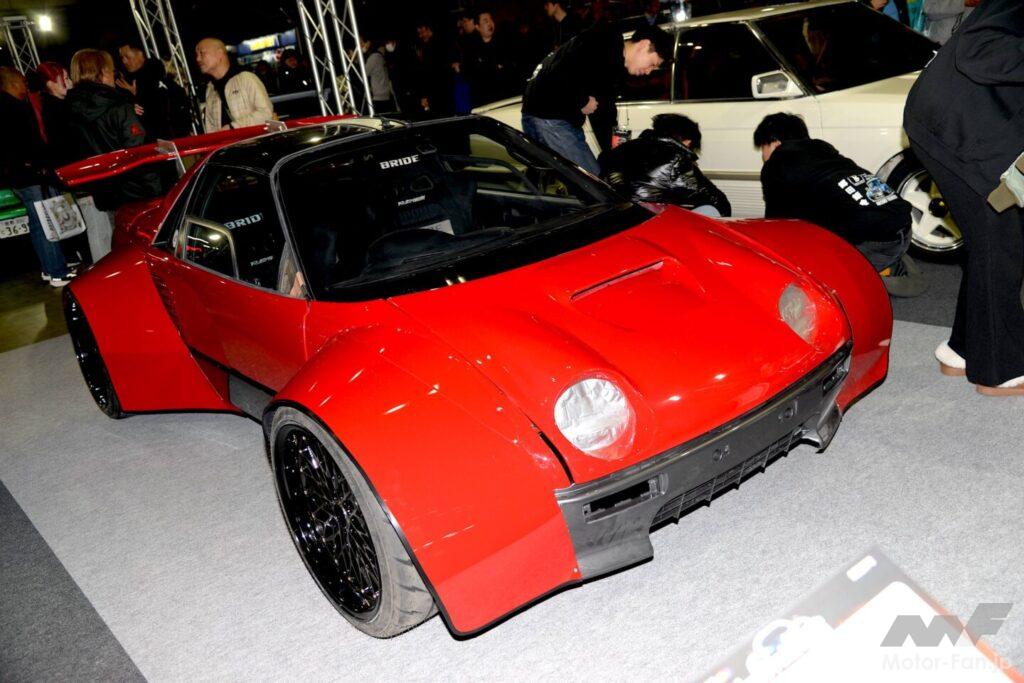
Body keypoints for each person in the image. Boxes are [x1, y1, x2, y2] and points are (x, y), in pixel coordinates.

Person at [904, 0, 1024, 395]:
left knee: (991, 238)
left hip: (973, 127)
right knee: (1000, 239)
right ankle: (1001, 368)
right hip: (957, 127)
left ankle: (962, 348)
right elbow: (978, 50)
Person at [753, 113, 923, 297]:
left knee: (818, 280)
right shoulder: (825, 155)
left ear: (775, 143)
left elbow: (776, 225)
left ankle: (881, 273)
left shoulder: (777, 164)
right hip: (903, 225)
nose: (763, 155)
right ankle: (886, 260)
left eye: (762, 148)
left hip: (878, 241)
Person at [521, 24, 673, 175]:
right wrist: (582, 101)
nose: (648, 72)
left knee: (577, 180)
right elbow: (557, 73)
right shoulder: (602, 40)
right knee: (591, 182)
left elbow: (604, 111)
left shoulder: (613, 61)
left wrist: (614, 153)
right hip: (548, 117)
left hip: (556, 119)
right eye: (652, 64)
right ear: (644, 45)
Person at [0, 67, 73, 286]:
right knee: (45, 221)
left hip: (20, 176)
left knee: (39, 223)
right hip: (30, 175)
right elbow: (27, 145)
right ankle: (57, 271)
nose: (26, 84)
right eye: (22, 81)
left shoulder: (10, 107)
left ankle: (51, 268)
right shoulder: (13, 109)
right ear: (12, 84)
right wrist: (40, 164)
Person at [599, 113, 730, 216]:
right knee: (710, 209)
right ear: (688, 141)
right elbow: (713, 198)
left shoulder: (620, 150)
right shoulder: (676, 158)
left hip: (614, 219)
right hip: (647, 221)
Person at [116, 40, 192, 140]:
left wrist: (136, 96)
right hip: (154, 139)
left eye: (127, 57)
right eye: (122, 58)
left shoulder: (156, 77)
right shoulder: (127, 80)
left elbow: (159, 111)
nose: (124, 61)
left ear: (140, 54)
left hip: (169, 137)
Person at [195, 38, 274, 132]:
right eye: (197, 55)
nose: (198, 59)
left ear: (219, 53)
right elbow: (211, 129)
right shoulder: (211, 90)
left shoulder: (246, 78)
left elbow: (266, 113)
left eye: (202, 53)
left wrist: (233, 127)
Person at [463, 11, 518, 108]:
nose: (490, 23)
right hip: (484, 100)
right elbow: (471, 74)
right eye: (485, 21)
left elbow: (509, 68)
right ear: (477, 27)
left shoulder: (503, 43)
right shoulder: (471, 48)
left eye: (491, 19)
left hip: (505, 97)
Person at [361, 37, 397, 115]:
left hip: (381, 96)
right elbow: (365, 73)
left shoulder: (377, 57)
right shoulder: (378, 57)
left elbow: (364, 73)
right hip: (382, 96)